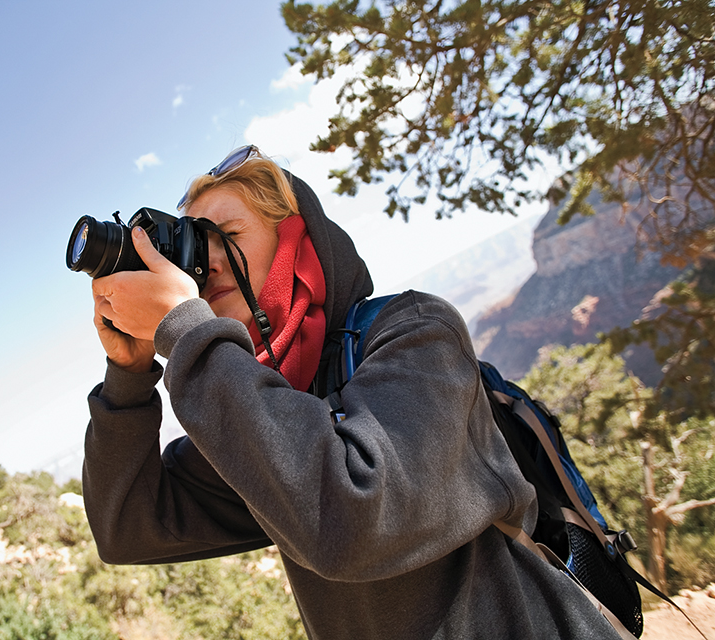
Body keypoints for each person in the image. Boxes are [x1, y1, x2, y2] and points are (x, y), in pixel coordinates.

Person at [81, 146, 620, 639]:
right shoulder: (261, 413)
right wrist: (127, 376)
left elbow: (353, 520)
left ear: (297, 241)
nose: (208, 261)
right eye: (196, 246)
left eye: (229, 235)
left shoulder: (415, 331)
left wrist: (187, 331)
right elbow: (127, 527)